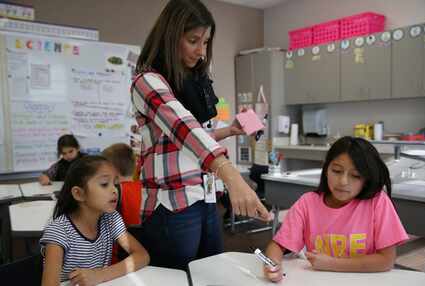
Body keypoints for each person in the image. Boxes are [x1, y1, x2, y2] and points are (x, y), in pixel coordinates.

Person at [131, 0, 270, 270]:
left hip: (204, 196)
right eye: (194, 40)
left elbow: (190, 140)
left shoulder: (192, 81)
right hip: (172, 204)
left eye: (205, 42)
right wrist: (231, 176)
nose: (201, 51)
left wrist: (229, 131)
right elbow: (184, 129)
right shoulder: (147, 81)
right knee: (177, 277)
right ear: (171, 37)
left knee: (210, 271)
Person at [263, 136, 409, 282]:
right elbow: (278, 245)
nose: (343, 182)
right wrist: (272, 264)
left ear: (367, 179)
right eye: (337, 171)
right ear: (326, 169)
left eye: (356, 175)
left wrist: (333, 264)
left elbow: (386, 260)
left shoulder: (377, 202)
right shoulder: (307, 203)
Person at [40, 156, 150, 286]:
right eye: (104, 184)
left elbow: (142, 256)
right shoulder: (59, 232)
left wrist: (100, 275)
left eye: (115, 183)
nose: (115, 190)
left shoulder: (111, 219)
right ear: (79, 194)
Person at [102, 143, 143, 263]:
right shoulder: (144, 188)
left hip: (117, 258)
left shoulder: (113, 192)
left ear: (112, 170)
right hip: (141, 253)